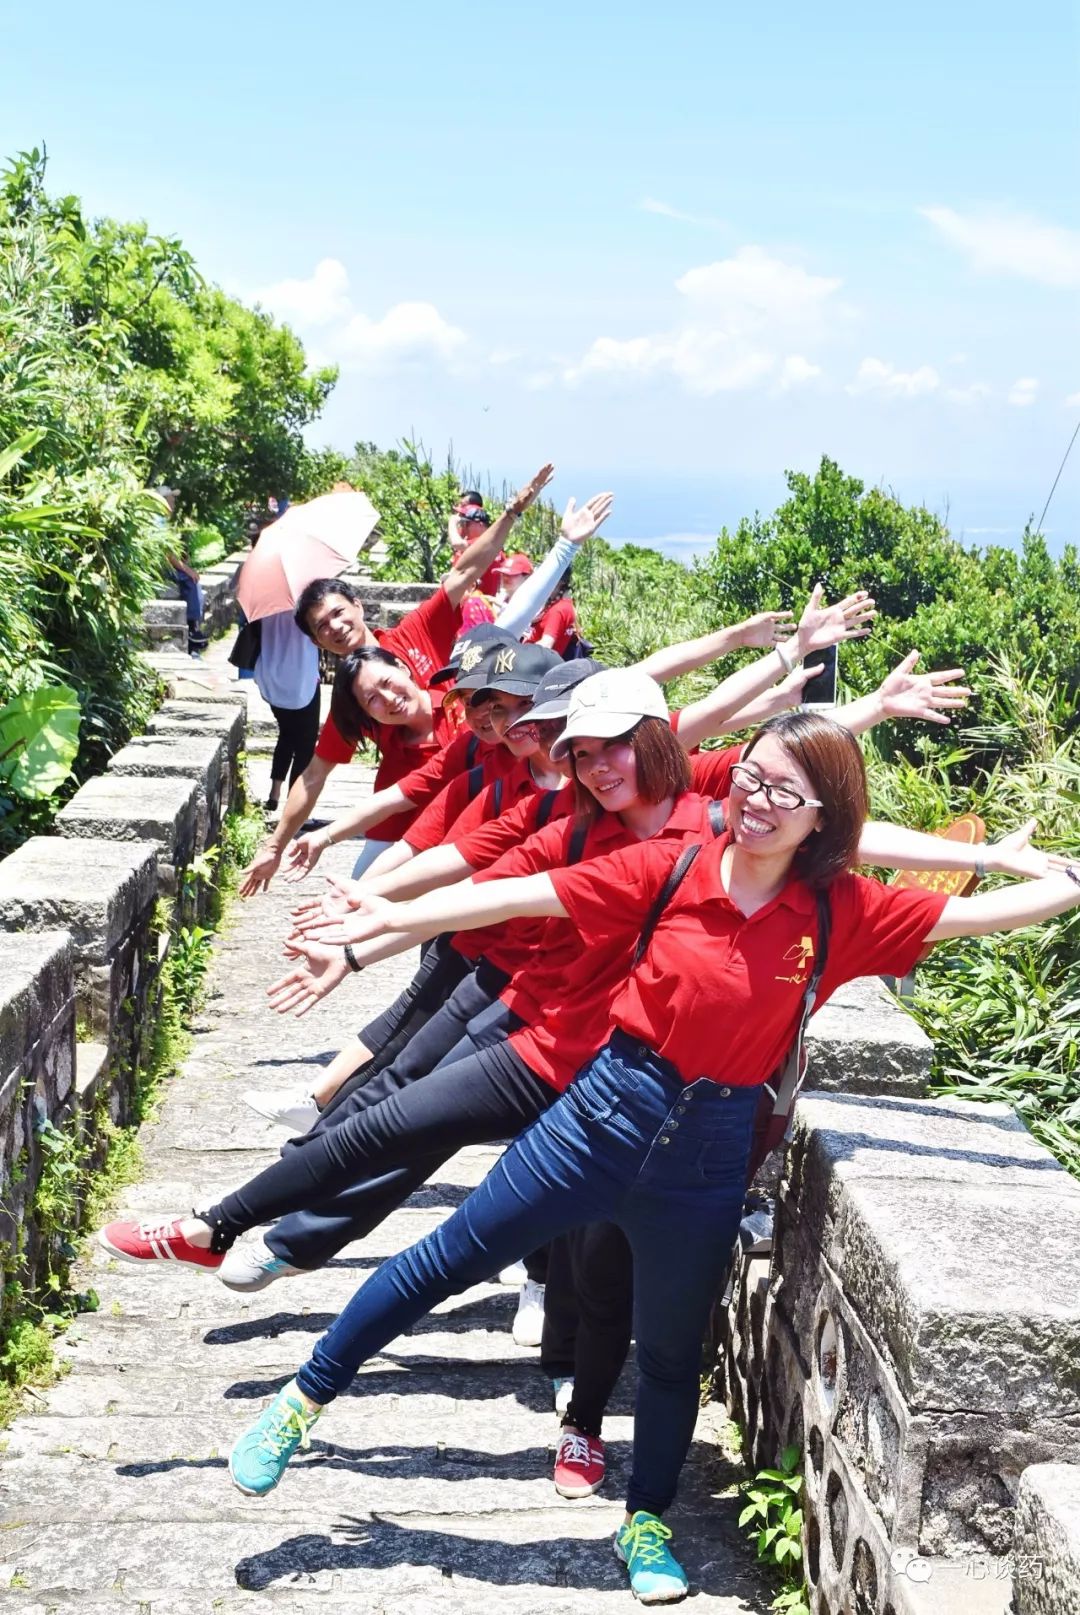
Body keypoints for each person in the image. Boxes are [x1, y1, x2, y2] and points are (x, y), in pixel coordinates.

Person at [99, 698, 1080, 1603]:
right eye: (751, 779)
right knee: (439, 1260)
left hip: (707, 1150)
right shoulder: (677, 863)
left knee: (666, 1350)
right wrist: (381, 923)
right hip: (602, 1106)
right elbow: (522, 891)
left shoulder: (839, 913)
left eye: (786, 789)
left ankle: (645, 1521)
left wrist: (1048, 875)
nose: (757, 800)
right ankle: (301, 1399)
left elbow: (971, 916)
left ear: (825, 815)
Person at [237, 463, 558, 894]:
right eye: (321, 627)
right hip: (409, 805)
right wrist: (276, 845)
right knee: (355, 901)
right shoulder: (348, 705)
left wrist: (512, 513)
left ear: (357, 604)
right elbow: (315, 775)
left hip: (482, 776)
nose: (334, 626)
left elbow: (464, 574)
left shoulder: (415, 632)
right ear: (316, 641)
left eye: (337, 612)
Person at [252, 609, 322, 815]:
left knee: (287, 734)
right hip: (302, 678)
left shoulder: (268, 601)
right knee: (305, 745)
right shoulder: (308, 603)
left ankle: (274, 793)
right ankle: (295, 808)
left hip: (272, 676)